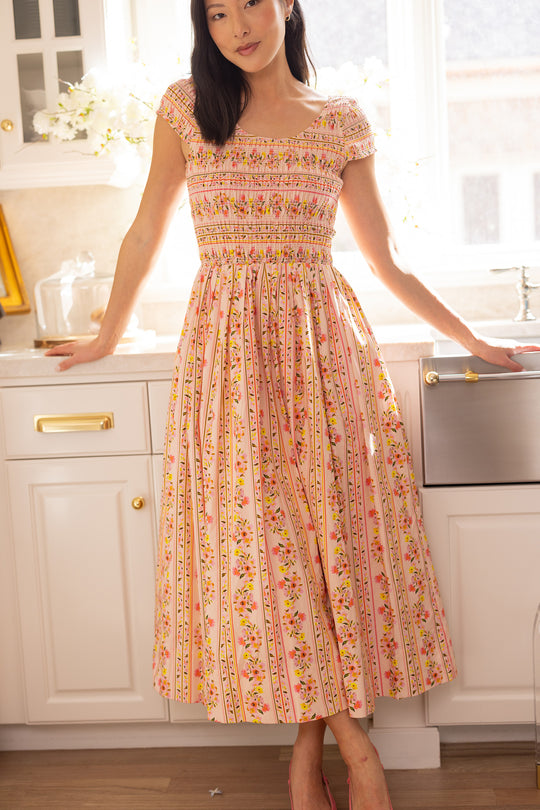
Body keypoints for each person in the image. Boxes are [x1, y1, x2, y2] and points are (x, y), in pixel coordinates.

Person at [46, 1, 540, 808]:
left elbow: (388, 260)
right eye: (217, 13)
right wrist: (107, 334)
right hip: (229, 361)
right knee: (267, 559)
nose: (238, 25)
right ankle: (359, 746)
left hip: (324, 355)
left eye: (251, 4)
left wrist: (475, 339)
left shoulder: (340, 121)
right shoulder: (186, 107)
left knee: (327, 559)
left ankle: (304, 755)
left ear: (287, 8)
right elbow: (144, 230)